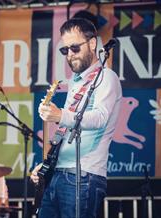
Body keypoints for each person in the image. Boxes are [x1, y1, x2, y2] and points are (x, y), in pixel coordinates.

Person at [30, 18, 122, 217]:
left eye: (74, 48)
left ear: (92, 43)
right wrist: (48, 164)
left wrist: (60, 114)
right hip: (57, 174)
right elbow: (68, 130)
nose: (70, 55)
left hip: (84, 176)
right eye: (65, 50)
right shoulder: (75, 82)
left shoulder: (107, 77)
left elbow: (100, 118)